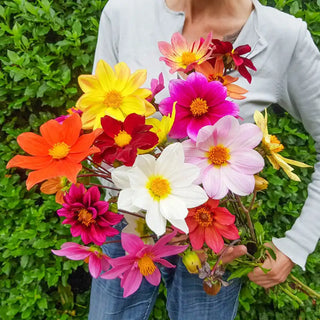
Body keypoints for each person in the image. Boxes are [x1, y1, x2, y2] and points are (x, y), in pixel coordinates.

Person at [88, 0, 320, 319]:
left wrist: (295, 245)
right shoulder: (123, 12)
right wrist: (124, 215)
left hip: (213, 237)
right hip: (127, 227)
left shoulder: (282, 36)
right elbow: (98, 125)